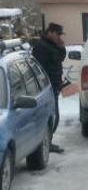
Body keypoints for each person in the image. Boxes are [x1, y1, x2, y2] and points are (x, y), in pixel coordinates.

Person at [31, 22, 67, 153]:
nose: (59, 37)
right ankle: (45, 144)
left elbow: (60, 59)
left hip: (54, 85)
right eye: (58, 34)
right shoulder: (41, 47)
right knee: (52, 117)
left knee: (54, 117)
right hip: (47, 88)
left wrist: (61, 46)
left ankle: (47, 142)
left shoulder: (53, 45)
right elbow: (40, 68)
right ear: (50, 32)